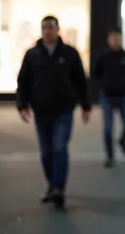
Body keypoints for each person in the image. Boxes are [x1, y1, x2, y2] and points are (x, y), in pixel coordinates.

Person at [15, 16, 91, 210]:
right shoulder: (32, 54)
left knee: (59, 147)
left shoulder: (70, 53)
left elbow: (81, 81)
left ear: (58, 30)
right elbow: (23, 81)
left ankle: (59, 189)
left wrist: (85, 105)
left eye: (50, 27)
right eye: (44, 27)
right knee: (46, 153)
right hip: (41, 111)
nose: (47, 30)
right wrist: (22, 105)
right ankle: (52, 184)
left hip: (63, 110)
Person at [93, 28, 125, 168]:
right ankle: (110, 156)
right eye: (112, 38)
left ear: (121, 39)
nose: (115, 41)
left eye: (117, 38)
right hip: (107, 97)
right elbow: (96, 72)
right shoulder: (103, 57)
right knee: (107, 128)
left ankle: (122, 141)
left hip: (123, 95)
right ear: (108, 40)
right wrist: (103, 84)